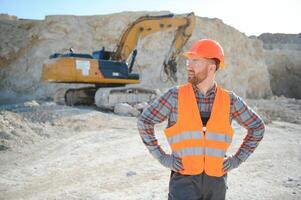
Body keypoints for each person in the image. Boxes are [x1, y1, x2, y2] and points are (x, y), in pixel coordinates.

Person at [137, 39, 265, 200]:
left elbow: (257, 127)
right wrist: (161, 156)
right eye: (188, 61)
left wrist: (237, 159)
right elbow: (145, 121)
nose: (189, 65)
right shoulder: (174, 96)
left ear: (211, 67)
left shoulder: (230, 100)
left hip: (216, 183)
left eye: (195, 61)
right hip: (183, 181)